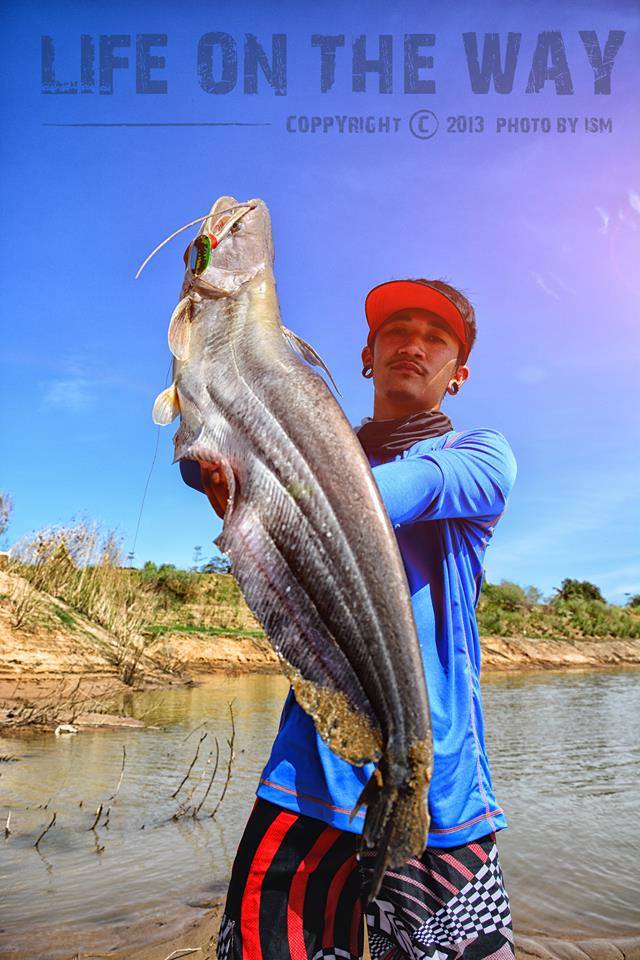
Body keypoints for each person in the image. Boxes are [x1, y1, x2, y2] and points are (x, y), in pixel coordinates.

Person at [180, 278, 518, 960]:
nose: (413, 346)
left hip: (440, 793)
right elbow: (207, 456)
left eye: (435, 338)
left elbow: (384, 495)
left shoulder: (478, 458)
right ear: (367, 356)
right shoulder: (308, 447)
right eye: (397, 332)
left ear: (459, 373)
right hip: (308, 779)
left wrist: (265, 484)